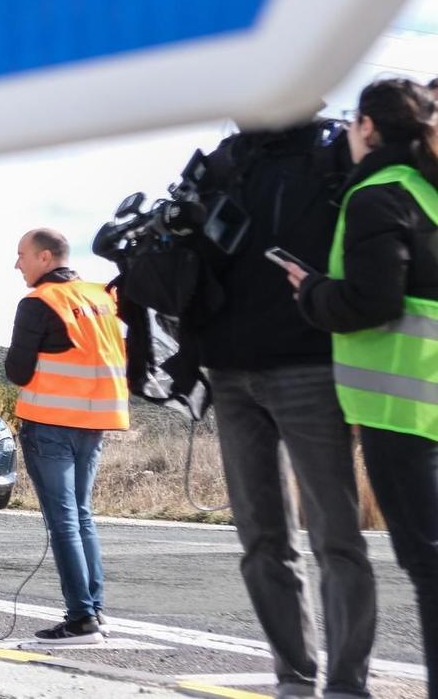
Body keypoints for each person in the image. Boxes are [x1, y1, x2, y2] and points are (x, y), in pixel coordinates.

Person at [195, 114, 375, 699]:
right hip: (229, 372)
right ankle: (293, 678)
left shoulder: (336, 149)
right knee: (261, 541)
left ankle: (347, 685)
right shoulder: (223, 160)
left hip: (310, 365)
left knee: (336, 537)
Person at [288, 78, 438, 690]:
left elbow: (370, 302)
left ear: (369, 127)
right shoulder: (427, 191)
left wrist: (311, 291)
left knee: (428, 567)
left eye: (351, 125)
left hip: (400, 408)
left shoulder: (380, 193)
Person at [6, 227, 130, 644]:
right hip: (94, 422)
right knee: (82, 516)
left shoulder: (40, 302)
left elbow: (16, 372)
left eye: (21, 254)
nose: (17, 263)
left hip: (51, 422)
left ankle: (81, 620)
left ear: (45, 257)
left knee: (63, 522)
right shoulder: (101, 297)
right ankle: (95, 610)